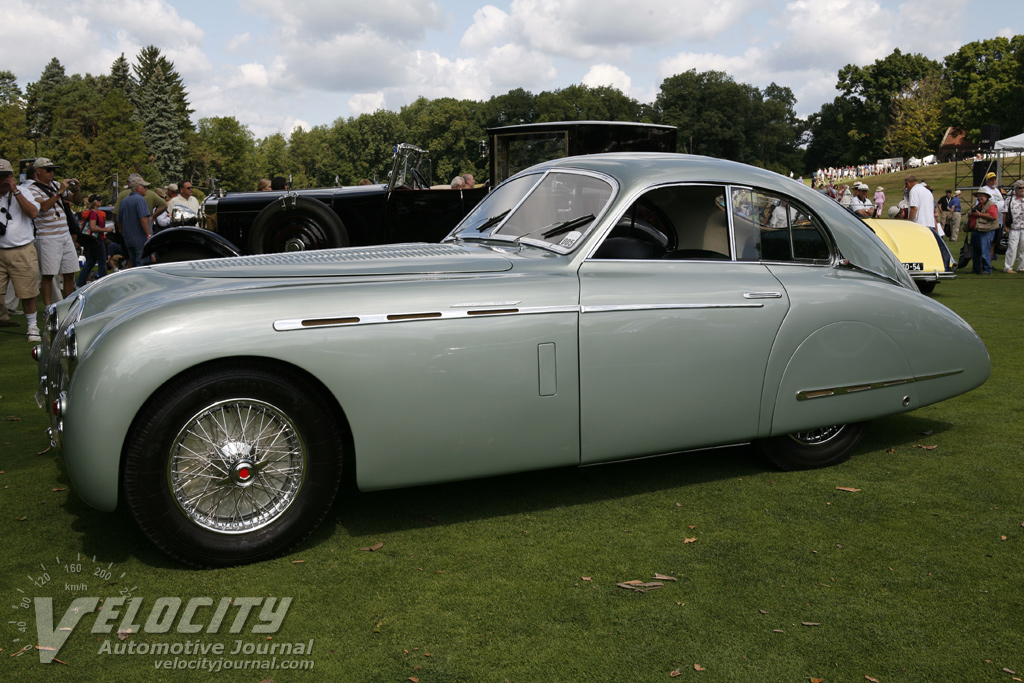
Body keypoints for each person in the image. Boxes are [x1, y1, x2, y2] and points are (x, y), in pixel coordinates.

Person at [25, 157, 81, 308]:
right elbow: (43, 207)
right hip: (47, 236)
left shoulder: (55, 185)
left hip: (64, 233)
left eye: (53, 170)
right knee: (49, 274)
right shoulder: (32, 189)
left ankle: (69, 306)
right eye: (49, 170)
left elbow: (76, 200)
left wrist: (76, 189)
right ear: (38, 172)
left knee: (70, 272)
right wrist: (59, 192)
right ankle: (48, 307)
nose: (52, 173)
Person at [0, 158, 42, 342]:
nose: (3, 180)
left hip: (22, 249)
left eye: (6, 176)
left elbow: (33, 213)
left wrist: (15, 191)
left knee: (28, 292)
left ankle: (32, 326)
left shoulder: (23, 192)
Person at [76, 194, 112, 287]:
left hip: (92, 240)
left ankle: (80, 282)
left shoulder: (87, 213)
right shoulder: (94, 213)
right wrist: (106, 230)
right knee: (102, 262)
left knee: (91, 262)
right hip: (96, 239)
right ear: (95, 202)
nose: (101, 202)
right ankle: (103, 283)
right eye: (99, 200)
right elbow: (93, 227)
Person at [119, 174, 153, 268]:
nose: (146, 189)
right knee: (142, 266)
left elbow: (119, 221)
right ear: (138, 188)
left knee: (133, 266)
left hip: (129, 240)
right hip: (141, 240)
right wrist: (149, 235)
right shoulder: (140, 200)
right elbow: (143, 218)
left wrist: (124, 233)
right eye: (144, 187)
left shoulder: (124, 201)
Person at [968, 187, 999, 274]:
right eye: (978, 196)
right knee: (975, 252)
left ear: (986, 197)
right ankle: (976, 269)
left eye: (981, 196)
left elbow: (993, 216)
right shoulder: (978, 206)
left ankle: (987, 269)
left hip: (986, 231)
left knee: (984, 251)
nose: (979, 198)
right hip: (976, 230)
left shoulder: (991, 205)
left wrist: (980, 214)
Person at [1002, 179, 1024, 273]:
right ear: (1015, 189)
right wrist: (1005, 226)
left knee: (1023, 248)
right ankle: (1008, 267)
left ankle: (1021, 267)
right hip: (1014, 227)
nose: (1022, 189)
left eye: (1023, 188)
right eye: (1020, 188)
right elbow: (1005, 213)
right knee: (1012, 247)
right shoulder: (1009, 200)